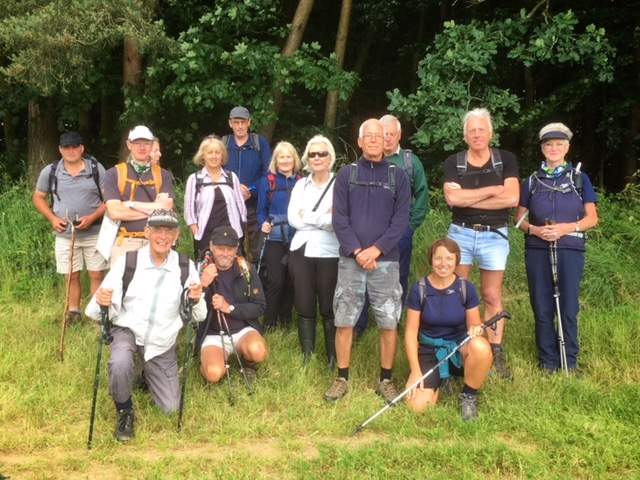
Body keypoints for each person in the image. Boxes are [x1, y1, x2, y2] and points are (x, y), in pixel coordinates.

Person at [85, 209, 206, 442]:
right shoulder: (128, 262)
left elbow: (199, 315)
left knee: (170, 408)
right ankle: (124, 410)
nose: (163, 236)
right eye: (157, 230)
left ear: (177, 235)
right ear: (147, 232)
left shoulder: (185, 266)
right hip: (128, 331)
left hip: (162, 342)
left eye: (168, 231)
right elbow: (93, 311)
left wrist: (197, 298)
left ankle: (143, 373)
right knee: (119, 362)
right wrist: (103, 302)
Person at [325, 119, 411, 403]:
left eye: (379, 136)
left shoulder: (398, 176)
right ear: (360, 142)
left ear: (387, 141)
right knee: (345, 319)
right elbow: (339, 218)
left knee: (388, 322)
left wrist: (376, 250)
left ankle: (385, 379)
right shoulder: (346, 175)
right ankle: (341, 377)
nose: (374, 140)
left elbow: (401, 221)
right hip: (351, 260)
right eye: (368, 136)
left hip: (386, 263)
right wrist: (357, 251)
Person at [515, 123, 598, 373]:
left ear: (567, 147)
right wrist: (536, 230)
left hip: (570, 249)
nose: (554, 148)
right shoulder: (531, 181)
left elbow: (591, 219)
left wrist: (565, 228)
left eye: (559, 144)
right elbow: (518, 220)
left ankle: (569, 361)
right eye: (548, 144)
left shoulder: (578, 178)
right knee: (542, 305)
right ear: (542, 148)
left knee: (568, 305)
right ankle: (548, 361)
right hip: (538, 250)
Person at [443, 108, 519, 379]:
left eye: (481, 129)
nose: (477, 134)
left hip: (494, 235)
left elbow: (511, 198)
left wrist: (469, 196)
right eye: (472, 130)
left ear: (490, 132)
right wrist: (491, 190)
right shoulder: (454, 162)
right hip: (460, 233)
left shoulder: (506, 160)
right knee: (457, 293)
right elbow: (453, 200)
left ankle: (494, 350)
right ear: (465, 135)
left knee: (491, 295)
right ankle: (460, 346)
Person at [354, 114, 429, 336]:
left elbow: (422, 196)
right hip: (367, 234)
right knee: (364, 274)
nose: (385, 138)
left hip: (399, 235)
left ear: (399, 135)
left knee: (397, 278)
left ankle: (392, 323)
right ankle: (360, 324)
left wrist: (409, 227)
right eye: (381, 133)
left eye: (390, 134)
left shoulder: (409, 162)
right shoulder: (364, 162)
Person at [404, 238, 493, 421]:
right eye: (438, 258)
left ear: (456, 260)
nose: (443, 264)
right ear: (431, 259)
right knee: (416, 408)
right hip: (430, 350)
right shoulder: (419, 289)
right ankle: (440, 382)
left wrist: (476, 330)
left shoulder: (465, 288)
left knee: (481, 347)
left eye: (449, 259)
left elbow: (475, 325)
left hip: (458, 348)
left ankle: (469, 395)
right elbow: (411, 333)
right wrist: (415, 371)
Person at [33, 131, 107, 323]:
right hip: (65, 234)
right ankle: (73, 313)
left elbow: (109, 200)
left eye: (75, 147)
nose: (71, 150)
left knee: (97, 273)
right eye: (67, 147)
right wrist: (52, 218)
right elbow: (38, 198)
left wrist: (92, 217)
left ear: (82, 148)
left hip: (95, 231)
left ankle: (98, 314)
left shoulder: (96, 168)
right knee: (71, 275)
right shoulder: (50, 171)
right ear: (60, 150)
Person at [288, 135, 340, 366]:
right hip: (301, 250)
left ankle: (332, 357)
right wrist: (322, 217)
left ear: (330, 157)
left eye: (322, 153)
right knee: (305, 303)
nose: (317, 158)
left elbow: (337, 221)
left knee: (329, 307)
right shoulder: (300, 184)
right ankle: (307, 356)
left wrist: (308, 215)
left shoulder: (340, 184)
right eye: (312, 154)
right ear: (307, 158)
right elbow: (293, 219)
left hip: (330, 251)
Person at [198, 226, 268, 385]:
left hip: (243, 330)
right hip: (213, 334)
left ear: (236, 248)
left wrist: (229, 308)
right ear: (211, 246)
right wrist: (202, 285)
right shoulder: (200, 269)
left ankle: (248, 364)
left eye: (230, 249)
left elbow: (260, 306)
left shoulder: (246, 269)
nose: (225, 253)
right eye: (220, 248)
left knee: (258, 352)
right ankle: (215, 362)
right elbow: (188, 311)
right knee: (213, 374)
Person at [102, 125, 175, 264]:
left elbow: (166, 208)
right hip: (125, 242)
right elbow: (115, 212)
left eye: (146, 143)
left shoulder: (163, 175)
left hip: (158, 242)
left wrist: (131, 205)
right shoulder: (113, 174)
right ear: (129, 144)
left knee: (157, 285)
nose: (142, 147)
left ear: (152, 145)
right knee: (124, 285)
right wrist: (155, 210)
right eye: (137, 143)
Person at [256, 141, 302, 330]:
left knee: (292, 280)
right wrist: (263, 224)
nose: (285, 160)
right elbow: (260, 211)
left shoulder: (301, 182)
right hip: (274, 237)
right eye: (281, 157)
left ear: (294, 159)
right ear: (275, 160)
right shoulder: (267, 181)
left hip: (296, 238)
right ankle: (269, 321)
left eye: (288, 156)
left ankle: (286, 320)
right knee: (275, 280)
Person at [184, 136, 247, 258]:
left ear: (222, 155)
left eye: (217, 152)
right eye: (210, 152)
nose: (214, 156)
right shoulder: (195, 179)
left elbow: (241, 206)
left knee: (234, 269)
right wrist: (196, 231)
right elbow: (189, 210)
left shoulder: (231, 177)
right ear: (203, 156)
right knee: (207, 270)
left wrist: (241, 228)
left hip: (231, 233)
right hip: (206, 235)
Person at [223, 106, 272, 262]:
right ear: (230, 123)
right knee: (231, 246)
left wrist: (252, 189)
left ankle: (257, 283)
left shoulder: (259, 143)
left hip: (254, 204)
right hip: (229, 205)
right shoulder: (223, 144)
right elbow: (215, 171)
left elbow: (268, 172)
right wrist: (234, 189)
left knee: (256, 250)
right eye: (236, 122)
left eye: (243, 122)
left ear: (249, 123)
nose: (239, 126)